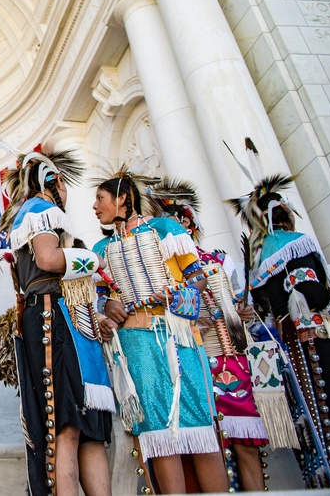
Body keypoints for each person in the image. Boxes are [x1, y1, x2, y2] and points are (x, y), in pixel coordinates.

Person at [0, 135, 112, 496]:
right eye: (63, 183)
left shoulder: (41, 215)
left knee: (90, 428)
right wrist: (97, 262)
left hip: (70, 319)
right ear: (51, 181)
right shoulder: (40, 210)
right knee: (65, 424)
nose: (67, 191)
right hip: (52, 317)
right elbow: (49, 261)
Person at [91, 171, 228, 494]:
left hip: (175, 339)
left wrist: (174, 295)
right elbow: (100, 296)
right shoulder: (101, 247)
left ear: (122, 198)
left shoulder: (165, 229)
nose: (94, 207)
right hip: (134, 347)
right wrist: (106, 306)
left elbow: (198, 277)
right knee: (156, 431)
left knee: (198, 425)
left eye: (100, 198)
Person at [229, 173, 330, 487]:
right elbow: (312, 295)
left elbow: (260, 315)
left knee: (322, 432)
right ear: (285, 213)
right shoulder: (296, 246)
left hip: (294, 356)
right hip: (322, 344)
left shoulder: (258, 263)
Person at [154, 183, 268, 492]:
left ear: (187, 223)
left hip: (228, 358)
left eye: (173, 223)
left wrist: (240, 313)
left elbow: (239, 303)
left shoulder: (217, 261)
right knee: (202, 444)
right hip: (189, 359)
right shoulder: (161, 268)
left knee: (245, 443)